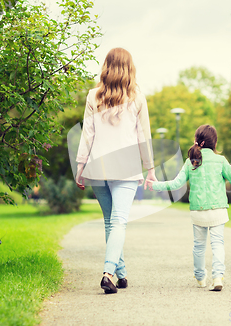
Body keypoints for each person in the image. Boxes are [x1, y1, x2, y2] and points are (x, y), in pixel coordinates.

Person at [75, 48, 157, 294]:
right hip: (126, 168)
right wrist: (150, 168)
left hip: (98, 167)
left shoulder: (93, 96)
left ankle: (120, 274)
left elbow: (87, 135)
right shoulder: (137, 98)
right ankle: (108, 273)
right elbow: (144, 136)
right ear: (130, 68)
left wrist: (80, 167)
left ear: (106, 67)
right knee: (119, 221)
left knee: (111, 222)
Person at [146, 125, 231, 291]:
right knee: (218, 244)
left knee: (199, 246)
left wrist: (155, 185)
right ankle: (217, 277)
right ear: (214, 143)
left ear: (197, 141)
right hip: (218, 210)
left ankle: (201, 277)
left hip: (198, 212)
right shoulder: (221, 161)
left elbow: (176, 184)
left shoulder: (191, 162)